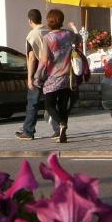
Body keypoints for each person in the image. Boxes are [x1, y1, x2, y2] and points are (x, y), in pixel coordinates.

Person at [33, 8, 76, 144]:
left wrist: (37, 76)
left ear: (49, 21)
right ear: (61, 20)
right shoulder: (68, 34)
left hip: (53, 77)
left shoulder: (48, 38)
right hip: (68, 76)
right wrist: (73, 28)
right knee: (62, 105)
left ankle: (61, 124)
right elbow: (79, 38)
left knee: (49, 104)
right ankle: (63, 134)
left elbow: (44, 60)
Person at [15, 8, 52, 140]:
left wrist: (29, 77)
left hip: (37, 72)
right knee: (51, 101)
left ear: (30, 20)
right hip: (51, 71)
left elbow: (31, 57)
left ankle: (28, 131)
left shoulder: (32, 35)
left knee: (33, 102)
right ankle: (58, 128)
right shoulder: (48, 31)